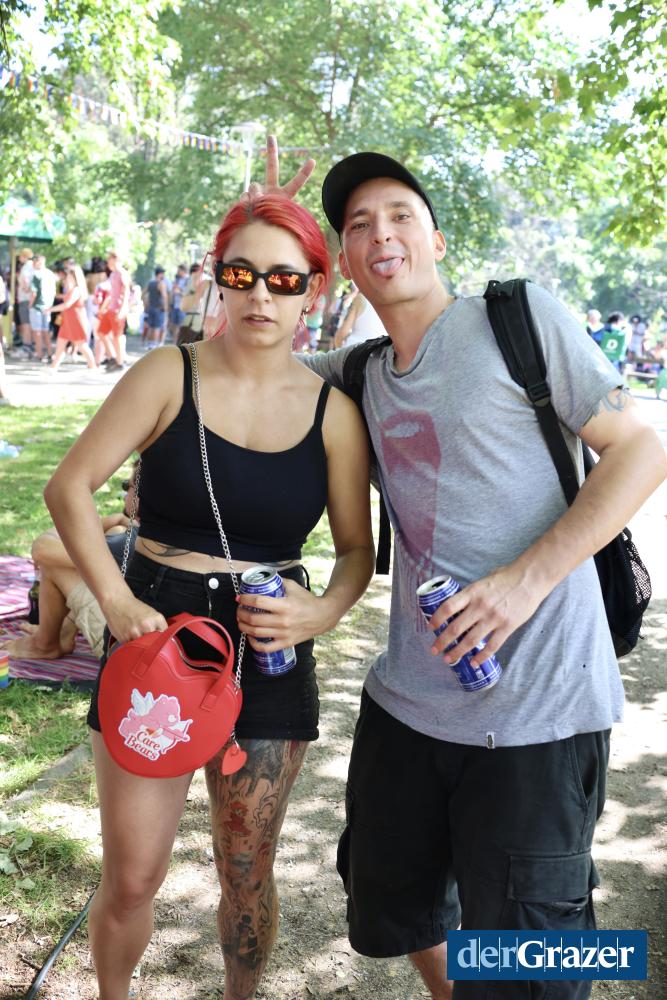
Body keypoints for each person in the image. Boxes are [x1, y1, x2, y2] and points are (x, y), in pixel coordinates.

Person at [271, 146, 666, 1000]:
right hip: (408, 706)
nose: (381, 234)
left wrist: (523, 582)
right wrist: (266, 238)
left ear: (437, 240)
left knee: (532, 954)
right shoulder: (358, 373)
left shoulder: (515, 318)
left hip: (539, 712)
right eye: (358, 226)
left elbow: (641, 449)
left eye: (400, 216)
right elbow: (243, 366)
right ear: (344, 263)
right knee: (394, 903)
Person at [43, 185, 375, 1000]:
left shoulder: (334, 415)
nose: (261, 294)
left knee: (246, 872)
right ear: (217, 277)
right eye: (241, 273)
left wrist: (321, 611)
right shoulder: (169, 373)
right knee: (132, 875)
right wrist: (115, 601)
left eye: (284, 279)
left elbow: (355, 552)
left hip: (268, 650)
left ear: (314, 289)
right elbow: (70, 488)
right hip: (156, 636)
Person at [1, 474, 138, 662]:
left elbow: (42, 549)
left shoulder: (129, 541)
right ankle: (64, 632)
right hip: (147, 639)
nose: (124, 494)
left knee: (54, 562)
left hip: (126, 648)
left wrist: (112, 519)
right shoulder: (152, 537)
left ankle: (43, 645)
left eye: (127, 486)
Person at [45, 265, 97, 372]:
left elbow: (67, 305)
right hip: (68, 321)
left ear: (74, 277)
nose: (67, 277)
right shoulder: (72, 290)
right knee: (60, 345)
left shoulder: (77, 290)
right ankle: (53, 367)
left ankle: (93, 366)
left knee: (81, 345)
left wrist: (50, 309)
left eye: (69, 275)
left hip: (75, 321)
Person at [29, 254, 57, 362]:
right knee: (45, 331)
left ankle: (39, 354)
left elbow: (34, 293)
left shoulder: (36, 274)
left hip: (37, 306)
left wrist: (30, 304)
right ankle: (49, 353)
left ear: (38, 262)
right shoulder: (50, 274)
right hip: (48, 306)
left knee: (37, 331)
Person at [105, 251, 131, 370]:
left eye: (109, 258)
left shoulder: (122, 273)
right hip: (111, 309)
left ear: (115, 259)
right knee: (102, 333)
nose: (108, 261)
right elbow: (112, 293)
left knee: (118, 336)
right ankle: (113, 357)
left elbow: (126, 292)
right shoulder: (113, 274)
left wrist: (123, 309)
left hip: (118, 309)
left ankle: (120, 363)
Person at [143, 265, 169, 348]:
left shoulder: (150, 283)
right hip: (159, 309)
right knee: (157, 327)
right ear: (159, 274)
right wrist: (166, 307)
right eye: (163, 273)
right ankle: (154, 344)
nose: (163, 275)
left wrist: (145, 304)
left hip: (150, 308)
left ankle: (150, 344)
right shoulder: (161, 284)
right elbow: (164, 297)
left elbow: (143, 294)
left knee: (151, 327)